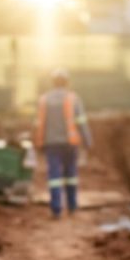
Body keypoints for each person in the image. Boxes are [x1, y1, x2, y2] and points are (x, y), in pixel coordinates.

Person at [33, 68, 93, 218]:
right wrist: (87, 141)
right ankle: (72, 206)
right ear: (67, 82)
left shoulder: (44, 99)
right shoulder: (73, 99)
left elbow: (38, 124)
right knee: (71, 174)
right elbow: (81, 122)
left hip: (51, 144)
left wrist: (38, 143)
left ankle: (56, 209)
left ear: (53, 82)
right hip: (70, 143)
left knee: (54, 177)